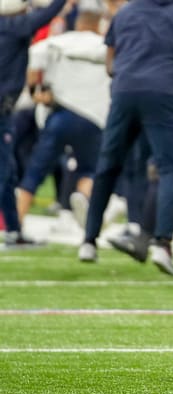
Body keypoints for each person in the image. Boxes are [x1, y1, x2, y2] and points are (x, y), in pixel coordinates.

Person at [77, 0, 173, 276]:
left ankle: (88, 240)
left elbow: (110, 64)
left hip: (125, 91)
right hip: (166, 93)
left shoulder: (126, 12)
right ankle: (162, 244)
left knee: (108, 166)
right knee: (171, 169)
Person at [17, 6, 109, 229]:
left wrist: (35, 90)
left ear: (78, 22)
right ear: (98, 24)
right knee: (90, 170)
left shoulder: (61, 41)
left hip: (61, 113)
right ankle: (84, 202)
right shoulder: (103, 46)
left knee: (34, 173)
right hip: (92, 117)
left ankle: (15, 223)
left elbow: (35, 53)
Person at [0, 0, 68, 247]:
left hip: (5, 111)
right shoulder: (15, 25)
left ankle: (14, 230)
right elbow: (48, 13)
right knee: (3, 172)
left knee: (8, 172)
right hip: (1, 109)